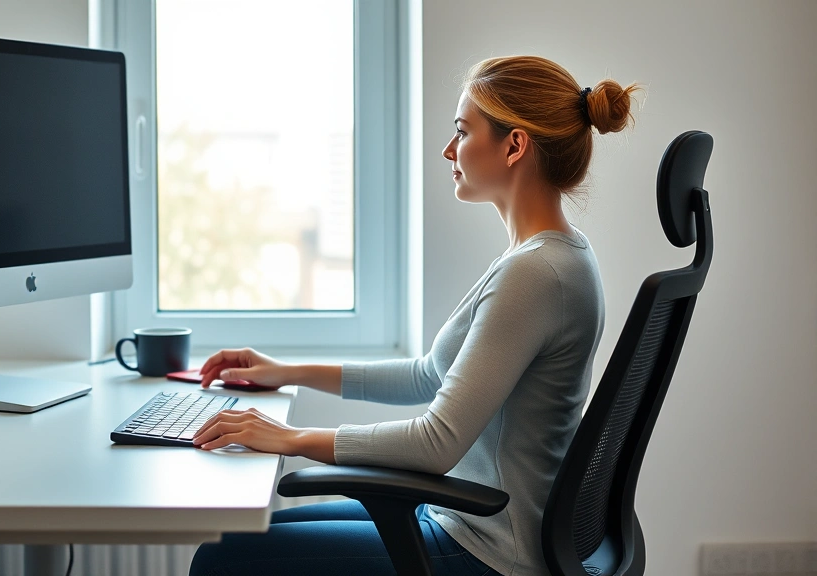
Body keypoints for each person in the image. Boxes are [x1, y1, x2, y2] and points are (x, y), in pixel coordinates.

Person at [188, 55, 642, 576]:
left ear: (514, 146)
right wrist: (286, 371)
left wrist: (291, 438)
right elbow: (430, 374)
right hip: (468, 521)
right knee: (243, 533)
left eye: (462, 132)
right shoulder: (552, 258)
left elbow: (435, 442)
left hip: (492, 551)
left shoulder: (538, 274)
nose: (449, 150)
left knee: (222, 560)